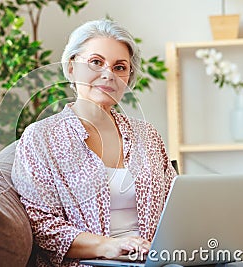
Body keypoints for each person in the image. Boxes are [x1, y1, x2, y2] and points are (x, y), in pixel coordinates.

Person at [11, 19, 177, 267]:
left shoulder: (148, 135)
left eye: (120, 67)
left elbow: (176, 204)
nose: (108, 74)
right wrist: (107, 246)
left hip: (157, 260)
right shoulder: (40, 137)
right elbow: (42, 224)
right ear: (71, 68)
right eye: (96, 62)